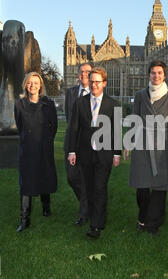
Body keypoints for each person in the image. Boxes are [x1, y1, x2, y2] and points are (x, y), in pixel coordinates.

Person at [67, 67, 121, 239]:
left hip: (104, 153)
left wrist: (117, 153)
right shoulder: (80, 102)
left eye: (97, 82)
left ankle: (96, 225)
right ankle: (95, 216)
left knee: (100, 187)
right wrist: (72, 151)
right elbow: (74, 129)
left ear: (104, 83)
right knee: (89, 188)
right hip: (85, 153)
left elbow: (117, 130)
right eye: (91, 81)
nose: (94, 85)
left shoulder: (114, 104)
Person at [127, 60, 168, 235]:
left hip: (162, 147)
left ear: (164, 75)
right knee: (142, 186)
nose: (156, 76)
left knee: (159, 187)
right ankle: (143, 217)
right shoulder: (141, 95)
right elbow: (134, 118)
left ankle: (153, 223)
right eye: (153, 73)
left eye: (159, 73)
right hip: (142, 144)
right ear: (148, 74)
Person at [14, 72, 57, 232]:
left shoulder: (49, 104)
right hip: (27, 149)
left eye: (36, 83)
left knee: (44, 176)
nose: (33, 85)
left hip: (44, 147)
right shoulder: (19, 104)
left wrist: (46, 141)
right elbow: (20, 126)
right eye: (30, 83)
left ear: (41, 86)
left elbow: (54, 126)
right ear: (26, 85)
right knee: (26, 182)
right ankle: (25, 219)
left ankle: (46, 207)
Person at [64, 62, 92, 225]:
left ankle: (84, 213)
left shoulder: (96, 93)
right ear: (78, 74)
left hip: (88, 143)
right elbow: (69, 118)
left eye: (88, 72)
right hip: (72, 142)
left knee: (87, 177)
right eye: (82, 72)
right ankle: (88, 202)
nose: (84, 74)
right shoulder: (70, 92)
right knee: (71, 177)